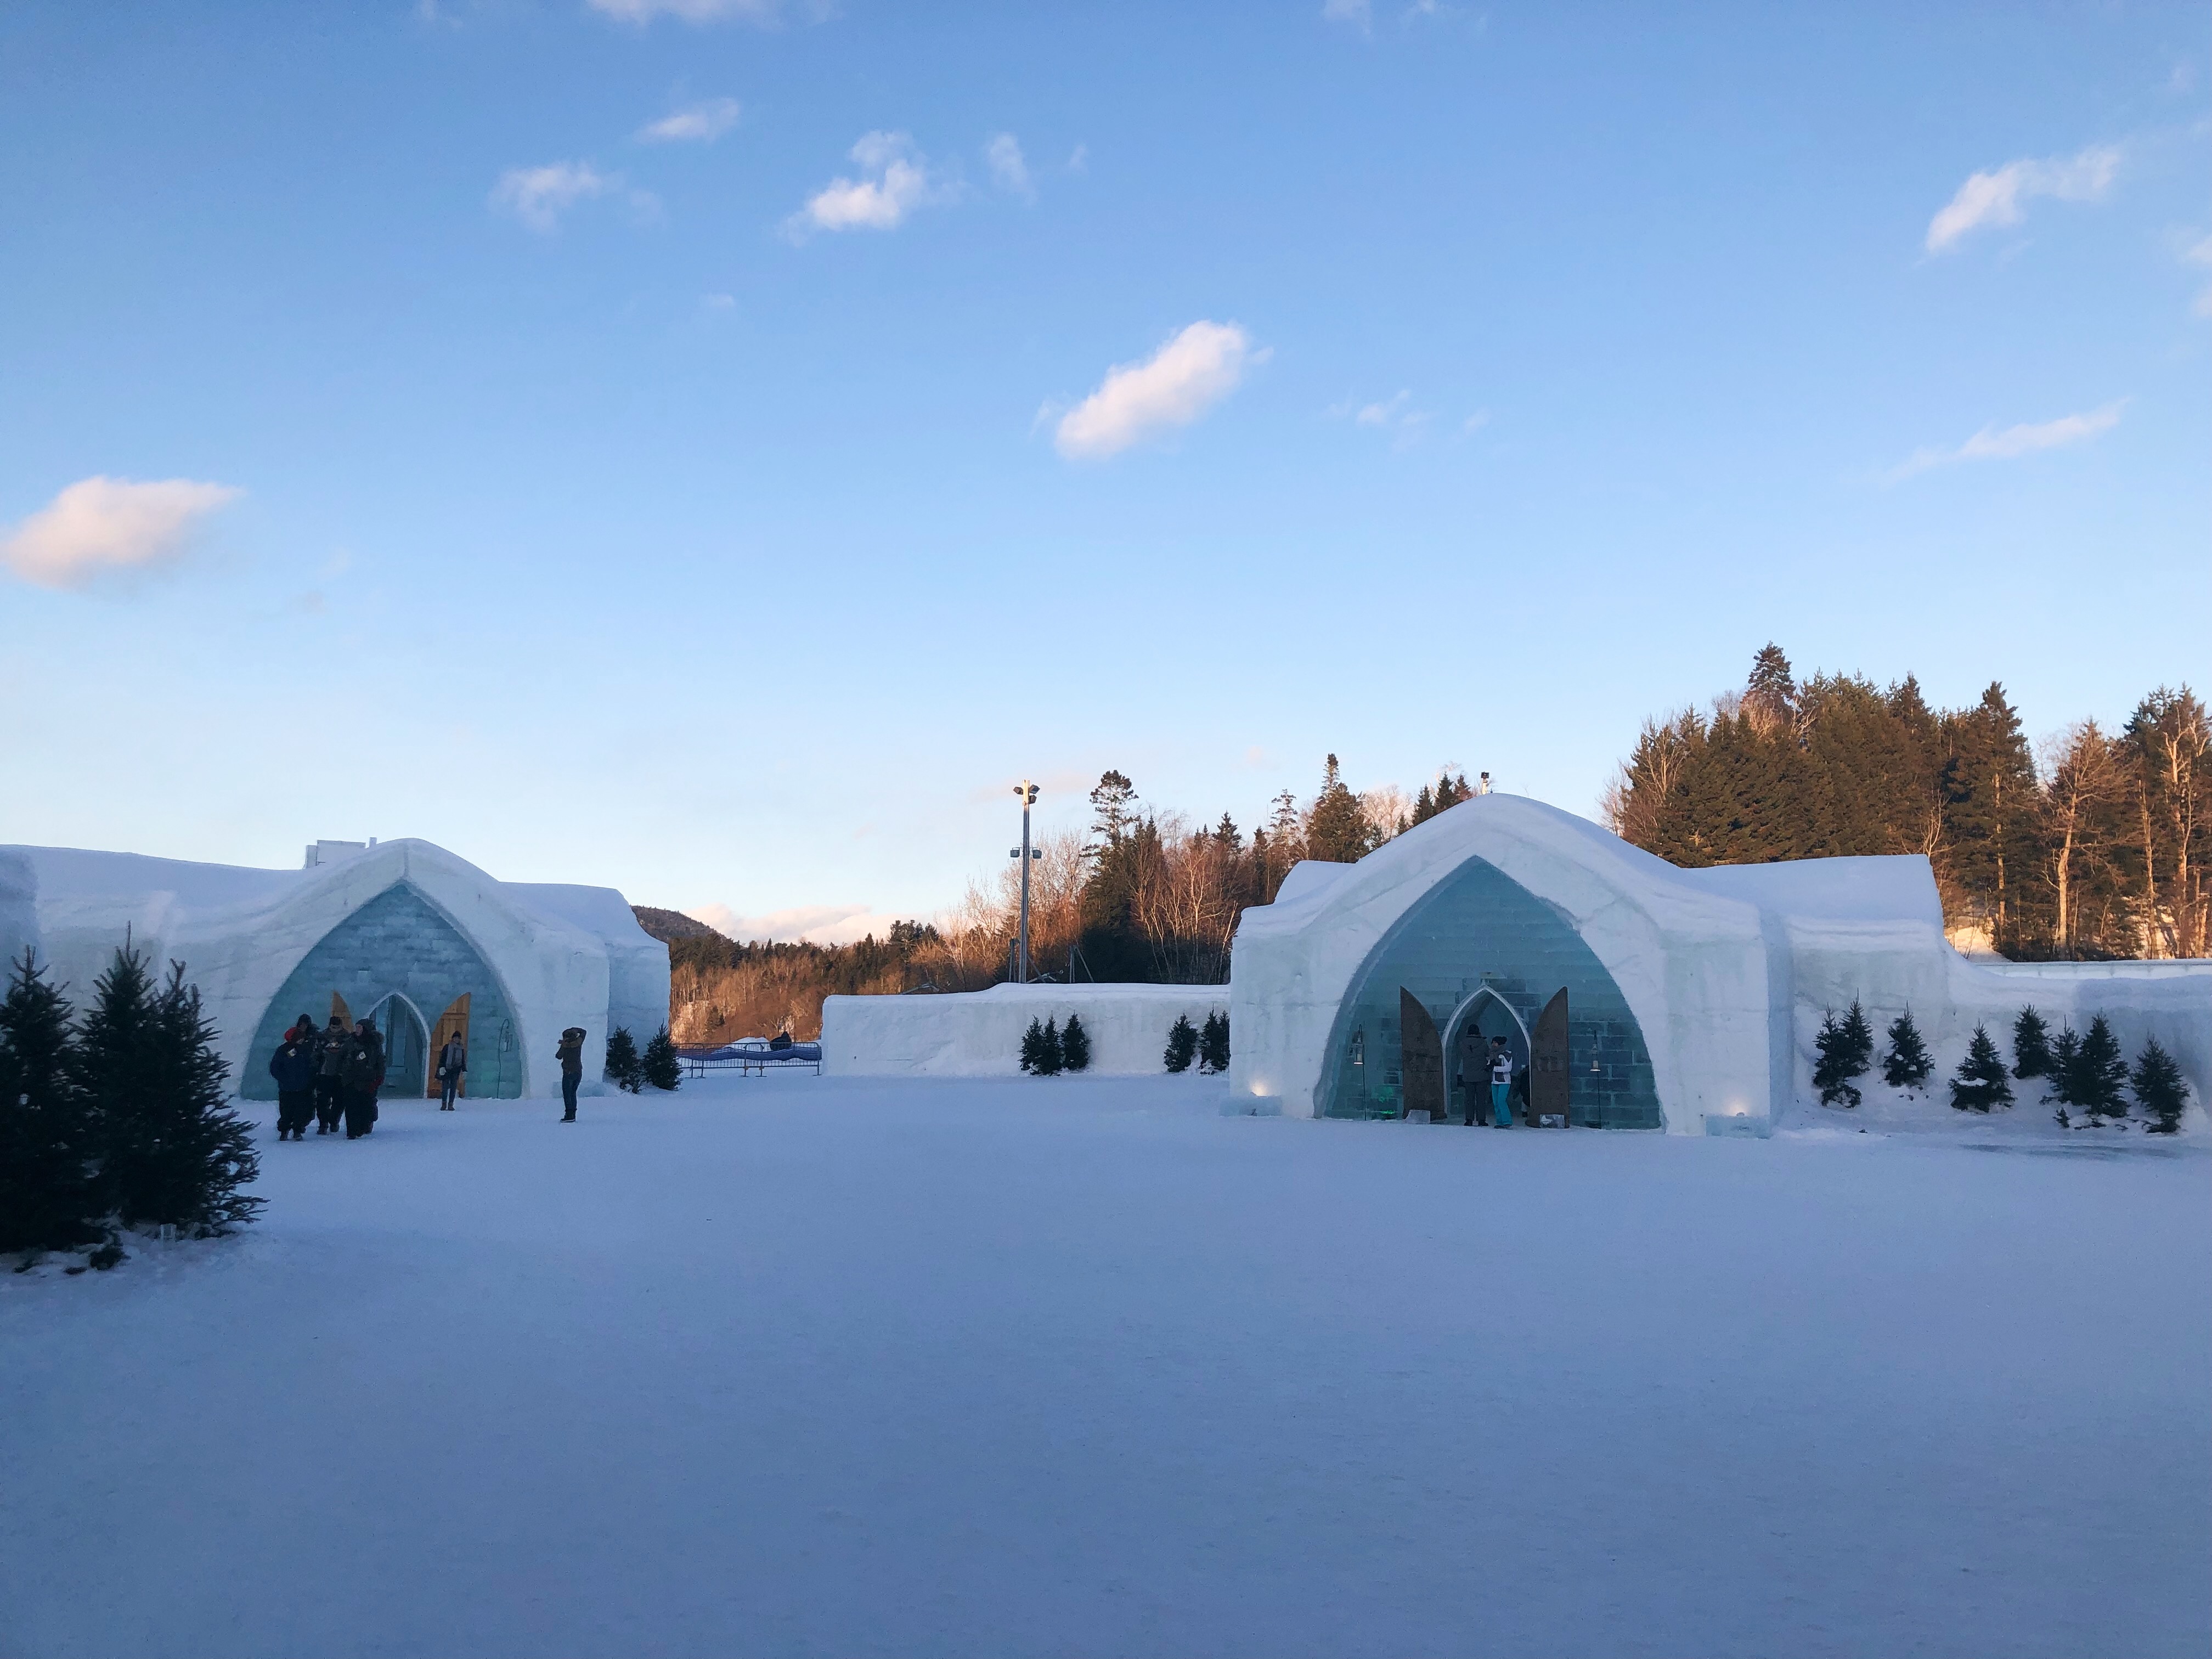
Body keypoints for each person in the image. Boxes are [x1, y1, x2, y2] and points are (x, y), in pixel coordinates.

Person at [268, 1031, 318, 1140]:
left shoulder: (304, 1050)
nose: (302, 1040)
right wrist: (284, 1079)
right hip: (288, 1088)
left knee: (298, 1111)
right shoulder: (284, 1050)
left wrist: (309, 1079)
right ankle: (285, 1131)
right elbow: (275, 1068)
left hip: (300, 1088)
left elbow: (311, 1066)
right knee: (287, 1111)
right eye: (300, 1038)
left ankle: (297, 1131)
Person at [340, 1018, 382, 1139]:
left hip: (368, 1080)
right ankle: (352, 1131)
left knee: (367, 1105)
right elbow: (342, 1057)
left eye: (360, 1027)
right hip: (351, 1079)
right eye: (357, 1027)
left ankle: (365, 1125)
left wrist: (379, 1077)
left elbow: (380, 1061)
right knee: (351, 1106)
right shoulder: (350, 1041)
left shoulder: (374, 1044)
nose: (357, 1030)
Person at [313, 1013, 349, 1133]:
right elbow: (316, 1054)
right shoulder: (322, 1037)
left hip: (340, 1075)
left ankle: (334, 1121)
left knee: (339, 1102)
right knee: (322, 1101)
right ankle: (323, 1124)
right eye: (333, 1027)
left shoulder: (347, 1038)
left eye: (337, 1027)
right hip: (324, 1074)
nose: (335, 1030)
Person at [556, 1026, 585, 1121]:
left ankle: (569, 1115)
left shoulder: (566, 1046)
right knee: (573, 1093)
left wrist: (563, 1045)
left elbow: (558, 1056)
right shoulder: (578, 1043)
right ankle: (573, 1114)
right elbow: (584, 1032)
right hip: (578, 1072)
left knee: (567, 1094)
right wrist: (575, 1029)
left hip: (568, 1073)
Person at [436, 1028, 466, 1110]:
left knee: (453, 1088)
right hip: (447, 1070)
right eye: (455, 1038)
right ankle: (444, 1104)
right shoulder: (447, 1047)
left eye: (458, 1038)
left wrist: (464, 1070)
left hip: (456, 1070)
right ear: (453, 1039)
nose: (456, 1039)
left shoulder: (461, 1049)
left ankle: (451, 1104)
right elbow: (442, 1058)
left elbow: (463, 1060)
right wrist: (442, 1067)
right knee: (445, 1088)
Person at [1488, 1036, 1515, 1128]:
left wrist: (1494, 1068)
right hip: (1494, 1081)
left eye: (1495, 1042)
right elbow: (1489, 1065)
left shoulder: (1506, 1055)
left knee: (1501, 1101)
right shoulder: (1492, 1054)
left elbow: (1508, 1068)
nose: (1493, 1044)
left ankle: (1507, 1121)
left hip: (1504, 1081)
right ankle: (1499, 1122)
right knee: (1496, 1102)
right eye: (1493, 1042)